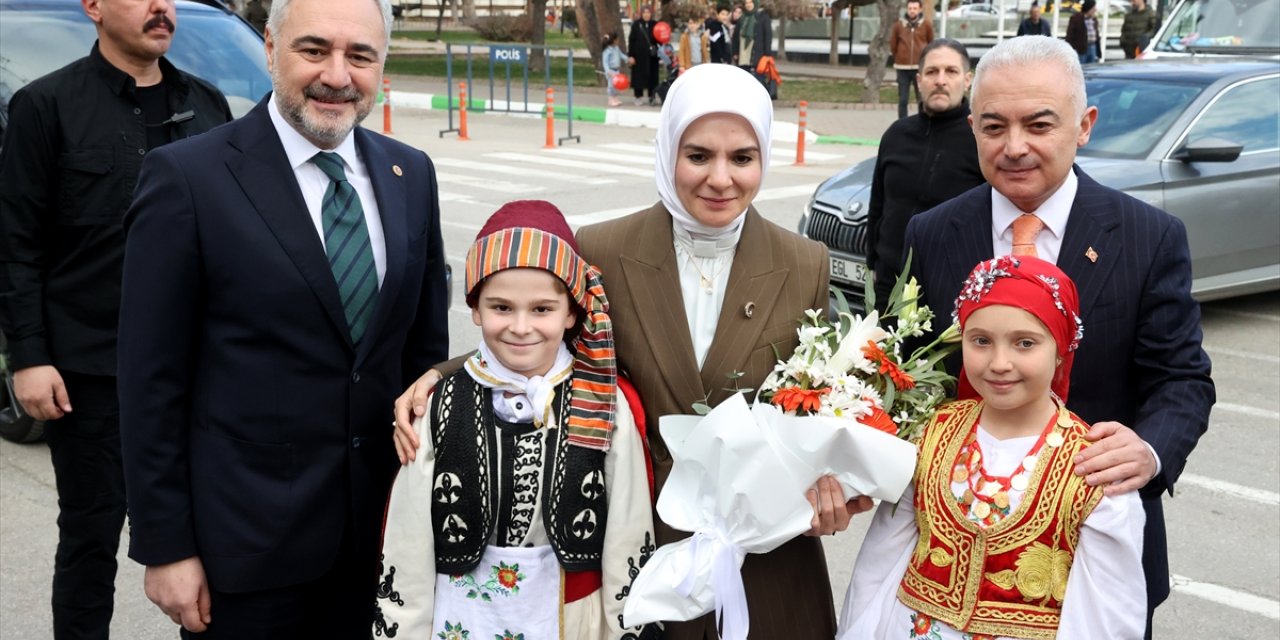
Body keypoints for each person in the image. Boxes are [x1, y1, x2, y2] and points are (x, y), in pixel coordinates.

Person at [393, 63, 871, 640]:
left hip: (766, 560)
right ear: (668, 149)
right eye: (698, 156)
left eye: (742, 158)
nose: (721, 178)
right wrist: (443, 375)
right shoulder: (604, 249)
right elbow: (538, 336)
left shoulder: (803, 262)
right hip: (642, 546)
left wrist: (839, 480)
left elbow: (820, 400)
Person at [116, 0, 450, 636]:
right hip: (246, 553)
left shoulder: (412, 174)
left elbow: (423, 356)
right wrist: (165, 546)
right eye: (314, 49)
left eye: (361, 56)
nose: (338, 74)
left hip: (384, 540)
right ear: (270, 49)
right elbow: (149, 382)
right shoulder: (188, 179)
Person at [903, 36, 1215, 639]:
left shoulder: (1147, 236)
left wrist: (1147, 452)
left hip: (1101, 554)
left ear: (1084, 126)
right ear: (972, 128)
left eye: (1039, 125)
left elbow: (1181, 379)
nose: (1014, 147)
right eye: (994, 126)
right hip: (954, 574)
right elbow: (906, 369)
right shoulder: (933, 233)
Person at [0, 1, 231, 637]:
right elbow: (16, 242)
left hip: (201, 371)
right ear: (94, 7)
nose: (162, 6)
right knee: (90, 539)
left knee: (214, 540)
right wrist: (29, 354)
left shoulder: (208, 104)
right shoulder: (45, 105)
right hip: (90, 369)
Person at [373, 200, 658, 639]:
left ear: (571, 312)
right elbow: (408, 539)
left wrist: (628, 629)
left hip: (573, 617)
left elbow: (627, 527)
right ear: (474, 308)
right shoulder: (438, 402)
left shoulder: (602, 400)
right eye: (501, 307)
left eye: (542, 309)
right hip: (462, 614)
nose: (521, 327)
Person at [838, 255, 1147, 639]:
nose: (1000, 363)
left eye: (1025, 343)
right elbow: (879, 564)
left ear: (1061, 350)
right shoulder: (931, 433)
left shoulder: (1093, 466)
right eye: (981, 341)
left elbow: (1106, 617)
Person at [866, 39, 984, 309]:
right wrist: (873, 263)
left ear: (967, 80)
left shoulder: (981, 140)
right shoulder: (896, 135)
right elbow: (878, 205)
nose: (940, 80)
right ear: (919, 80)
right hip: (889, 286)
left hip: (952, 289)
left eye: (950, 72)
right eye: (932, 72)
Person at [889, 0, 935, 119]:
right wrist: (899, 56)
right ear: (907, 9)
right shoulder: (899, 25)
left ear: (920, 9)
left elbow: (931, 44)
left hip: (919, 68)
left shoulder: (926, 25)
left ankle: (922, 122)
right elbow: (893, 44)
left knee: (921, 97)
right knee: (903, 98)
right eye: (910, 8)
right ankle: (902, 123)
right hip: (902, 68)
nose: (912, 11)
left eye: (915, 8)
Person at [627, 5, 660, 106]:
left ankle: (652, 97)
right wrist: (631, 55)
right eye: (644, 12)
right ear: (642, 14)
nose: (646, 14)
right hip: (639, 57)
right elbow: (631, 41)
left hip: (652, 57)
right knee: (638, 77)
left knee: (652, 77)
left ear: (651, 14)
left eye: (648, 12)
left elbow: (660, 39)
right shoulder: (636, 25)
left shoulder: (655, 25)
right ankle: (638, 96)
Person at [602, 32, 628, 107]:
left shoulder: (616, 48)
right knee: (611, 85)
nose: (618, 41)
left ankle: (615, 98)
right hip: (611, 71)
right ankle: (610, 99)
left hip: (617, 70)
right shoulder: (607, 51)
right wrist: (608, 71)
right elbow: (605, 62)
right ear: (613, 40)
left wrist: (627, 59)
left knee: (616, 85)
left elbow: (621, 55)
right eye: (617, 40)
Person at [736, 0, 757, 68]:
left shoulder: (758, 16)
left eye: (750, 2)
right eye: (746, 3)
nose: (748, 5)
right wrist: (735, 52)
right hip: (742, 48)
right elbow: (736, 35)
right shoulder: (742, 17)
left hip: (754, 48)